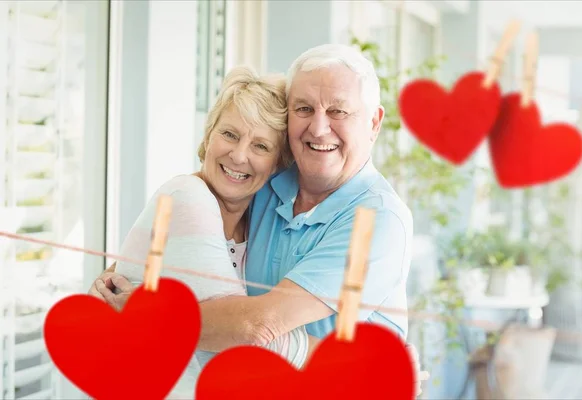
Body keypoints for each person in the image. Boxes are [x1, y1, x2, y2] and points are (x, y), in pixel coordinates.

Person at [94, 44, 429, 396]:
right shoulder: (269, 187)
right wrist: (116, 279)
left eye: (338, 111)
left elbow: (258, 326)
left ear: (374, 122)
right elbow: (185, 210)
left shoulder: (378, 219)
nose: (318, 128)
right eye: (304, 108)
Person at [89, 66, 314, 398]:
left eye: (261, 146)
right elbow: (245, 337)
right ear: (208, 136)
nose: (239, 155)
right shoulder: (187, 197)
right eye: (230, 134)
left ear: (279, 163)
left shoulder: (260, 225)